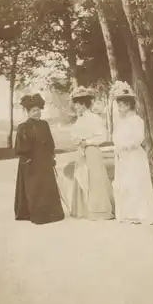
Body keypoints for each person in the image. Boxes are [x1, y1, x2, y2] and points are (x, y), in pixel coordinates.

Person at [112, 82, 153, 225]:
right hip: (123, 156)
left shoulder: (136, 121)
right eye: (119, 105)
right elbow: (116, 137)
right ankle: (128, 213)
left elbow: (138, 138)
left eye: (122, 105)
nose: (120, 108)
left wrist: (125, 145)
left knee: (136, 182)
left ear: (128, 105)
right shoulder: (121, 122)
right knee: (125, 183)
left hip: (133, 155)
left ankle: (140, 213)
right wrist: (119, 147)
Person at [14, 93, 65, 225]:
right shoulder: (24, 127)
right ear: (28, 112)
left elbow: (50, 142)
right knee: (35, 188)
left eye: (38, 110)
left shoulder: (44, 124)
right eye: (33, 111)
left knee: (47, 186)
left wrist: (50, 155)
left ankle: (52, 213)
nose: (36, 113)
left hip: (44, 160)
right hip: (31, 161)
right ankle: (37, 214)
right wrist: (28, 157)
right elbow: (21, 147)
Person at [70, 86, 114, 220]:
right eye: (75, 104)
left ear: (84, 104)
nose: (76, 106)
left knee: (94, 178)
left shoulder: (95, 119)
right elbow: (74, 136)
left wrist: (87, 142)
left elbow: (103, 137)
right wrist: (78, 141)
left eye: (78, 104)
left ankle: (98, 210)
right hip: (82, 152)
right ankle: (83, 209)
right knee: (82, 176)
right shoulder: (80, 119)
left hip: (92, 152)